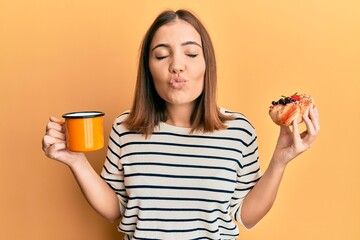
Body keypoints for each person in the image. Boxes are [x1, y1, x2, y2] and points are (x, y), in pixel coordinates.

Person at [42, 9, 320, 240]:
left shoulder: (238, 130)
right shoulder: (125, 128)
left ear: (206, 64)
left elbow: (245, 215)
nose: (177, 66)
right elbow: (116, 209)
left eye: (191, 54)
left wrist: (280, 160)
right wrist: (76, 161)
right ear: (148, 69)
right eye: (162, 55)